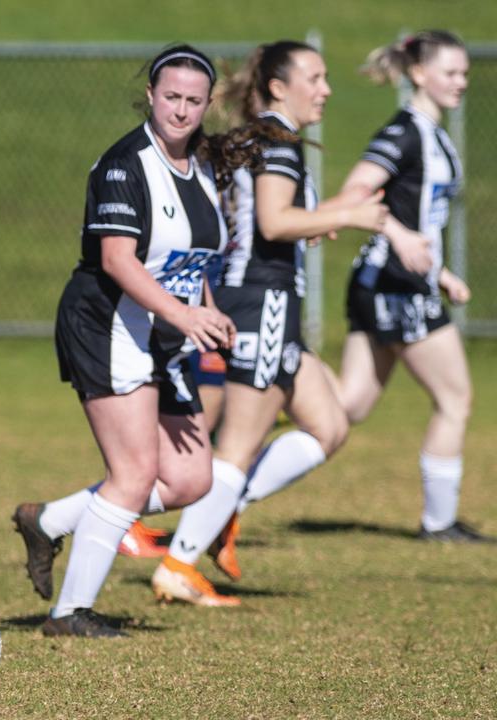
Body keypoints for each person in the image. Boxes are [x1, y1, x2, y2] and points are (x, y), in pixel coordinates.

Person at [12, 45, 237, 637]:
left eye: (194, 100)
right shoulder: (124, 164)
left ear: (208, 103)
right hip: (107, 323)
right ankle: (69, 614)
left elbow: (193, 263)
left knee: (191, 479)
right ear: (151, 96)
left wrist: (209, 316)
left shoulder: (205, 167)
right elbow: (117, 260)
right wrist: (183, 317)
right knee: (134, 473)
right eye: (171, 97)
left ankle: (49, 519)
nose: (181, 110)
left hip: (164, 333)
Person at [155, 40, 389, 605]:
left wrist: (318, 220)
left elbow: (265, 222)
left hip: (262, 300)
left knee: (328, 425)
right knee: (235, 448)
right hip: (263, 304)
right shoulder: (277, 141)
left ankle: (217, 514)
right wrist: (349, 213)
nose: (327, 88)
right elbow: (274, 220)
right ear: (280, 87)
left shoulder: (260, 137)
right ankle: (175, 561)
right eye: (316, 76)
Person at [335, 31, 490, 542]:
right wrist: (400, 238)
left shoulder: (434, 132)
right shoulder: (405, 132)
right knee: (455, 399)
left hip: (399, 282)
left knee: (346, 407)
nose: (461, 82)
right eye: (451, 73)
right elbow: (355, 193)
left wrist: (439, 270)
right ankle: (439, 524)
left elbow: (419, 213)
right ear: (419, 74)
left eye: (465, 73)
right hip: (396, 287)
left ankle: (241, 446)